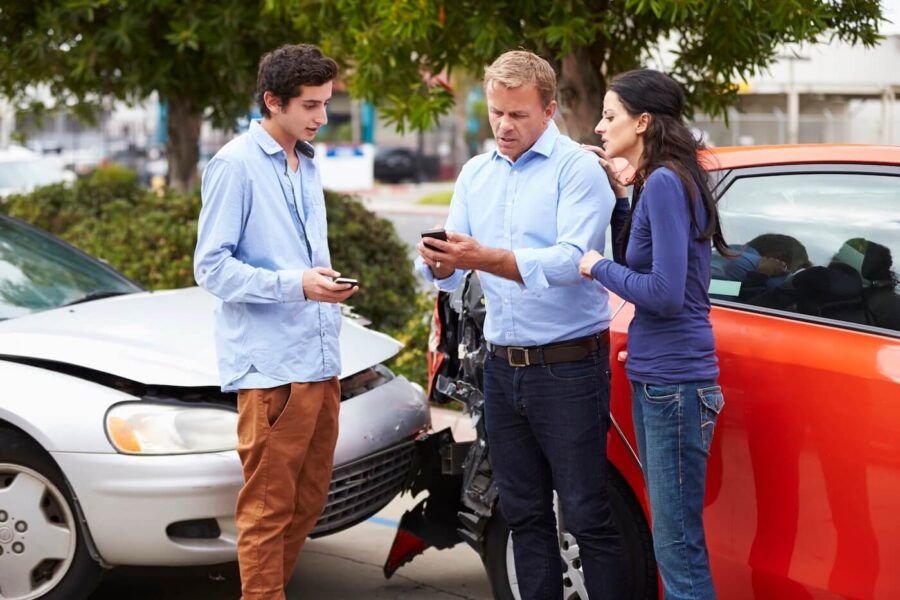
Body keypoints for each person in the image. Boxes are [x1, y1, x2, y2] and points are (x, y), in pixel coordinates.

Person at [417, 50, 628, 599]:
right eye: (496, 114)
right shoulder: (475, 174)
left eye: (518, 115)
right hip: (501, 367)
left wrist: (482, 256)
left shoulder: (579, 170)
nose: (504, 127)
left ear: (550, 109)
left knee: (587, 513)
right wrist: (439, 260)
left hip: (569, 368)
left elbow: (569, 261)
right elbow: (450, 265)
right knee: (523, 513)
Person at [193, 44, 357, 600]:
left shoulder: (304, 162)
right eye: (310, 105)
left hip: (317, 358)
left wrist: (318, 278)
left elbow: (294, 261)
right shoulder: (234, 165)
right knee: (266, 511)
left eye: (326, 103)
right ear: (272, 101)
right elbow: (210, 269)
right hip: (271, 370)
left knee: (308, 501)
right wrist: (296, 284)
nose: (321, 117)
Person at [579, 68, 728, 600]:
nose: (600, 126)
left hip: (674, 385)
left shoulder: (666, 181)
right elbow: (640, 259)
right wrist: (622, 197)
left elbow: (663, 292)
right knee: (674, 538)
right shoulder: (660, 179)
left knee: (677, 545)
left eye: (610, 115)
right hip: (663, 380)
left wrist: (593, 266)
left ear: (642, 122)